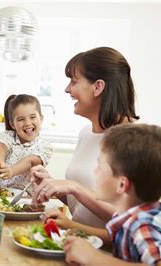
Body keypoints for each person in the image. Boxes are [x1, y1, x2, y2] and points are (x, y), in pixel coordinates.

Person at [31, 47, 139, 229]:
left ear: (98, 87)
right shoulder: (86, 133)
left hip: (105, 253)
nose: (67, 89)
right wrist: (54, 185)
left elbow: (129, 220)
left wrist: (74, 187)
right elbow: (81, 205)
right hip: (77, 243)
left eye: (73, 81)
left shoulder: (134, 141)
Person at [63, 124, 161, 265]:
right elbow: (115, 237)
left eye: (100, 166)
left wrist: (93, 258)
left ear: (122, 185)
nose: (94, 171)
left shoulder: (144, 225)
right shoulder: (132, 214)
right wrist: (72, 227)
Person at [0, 94, 52, 193]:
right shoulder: (9, 136)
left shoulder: (44, 146)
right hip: (0, 194)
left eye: (33, 117)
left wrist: (11, 171)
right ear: (12, 124)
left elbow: (30, 161)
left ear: (41, 119)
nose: (28, 123)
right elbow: (0, 147)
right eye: (21, 119)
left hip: (26, 197)